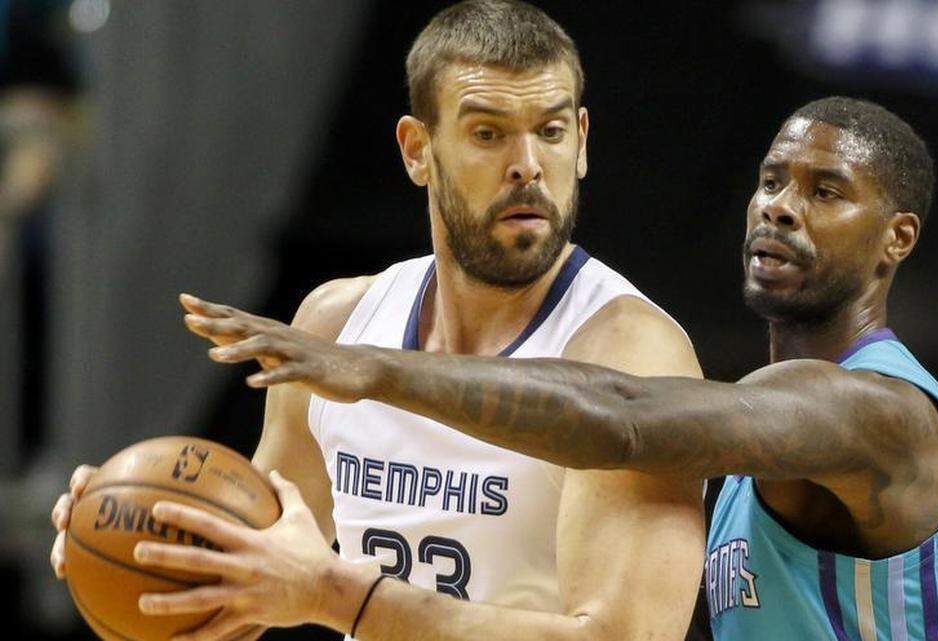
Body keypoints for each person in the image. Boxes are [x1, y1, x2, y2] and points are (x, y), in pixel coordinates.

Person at [158, 97, 938, 640]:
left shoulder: (876, 414)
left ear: (896, 238)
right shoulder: (774, 420)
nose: (779, 206)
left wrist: (376, 369)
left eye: (825, 191)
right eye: (772, 179)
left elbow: (623, 416)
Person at [50, 2, 706, 640]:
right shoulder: (337, 326)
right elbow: (244, 598)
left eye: (551, 131)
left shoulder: (629, 354)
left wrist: (338, 598)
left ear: (582, 140)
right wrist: (130, 540)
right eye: (488, 133)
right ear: (418, 150)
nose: (528, 165)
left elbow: (626, 636)